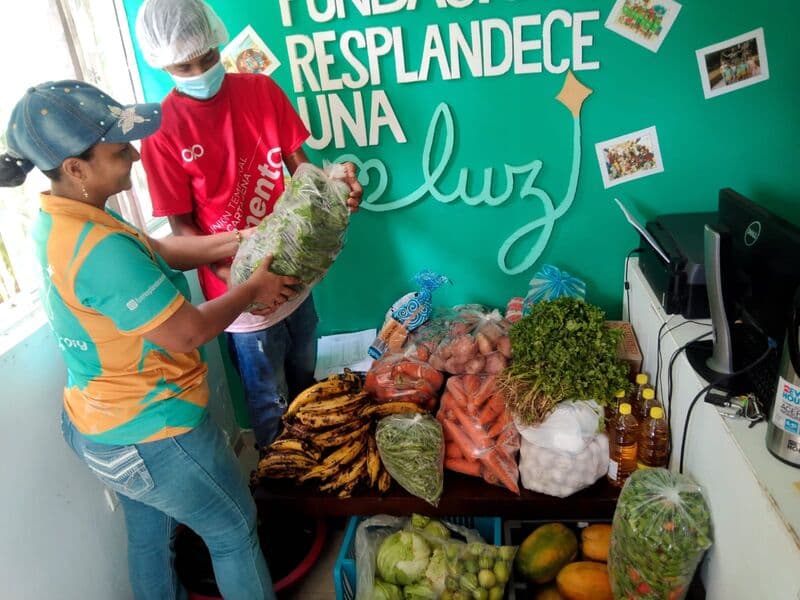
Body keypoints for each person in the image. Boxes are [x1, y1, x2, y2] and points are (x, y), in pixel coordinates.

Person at [0, 80, 302, 599]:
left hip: (97, 425)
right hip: (154, 432)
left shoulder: (65, 218)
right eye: (120, 151)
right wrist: (252, 287)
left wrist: (240, 239)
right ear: (76, 167)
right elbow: (188, 331)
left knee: (149, 535)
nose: (136, 154)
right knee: (232, 532)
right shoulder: (96, 246)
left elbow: (157, 251)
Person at [134, 0, 363, 449]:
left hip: (295, 276)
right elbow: (183, 233)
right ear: (162, 63)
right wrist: (241, 283)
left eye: (207, 57)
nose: (201, 71)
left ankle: (317, 474)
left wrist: (335, 190)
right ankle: (284, 493)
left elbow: (303, 172)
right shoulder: (161, 133)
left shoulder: (260, 91)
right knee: (270, 404)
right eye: (185, 65)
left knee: (307, 383)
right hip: (238, 297)